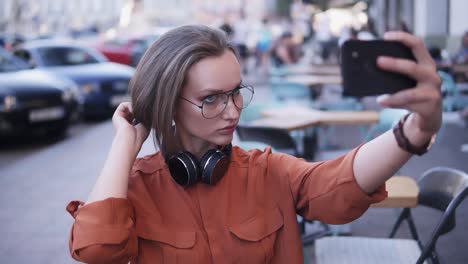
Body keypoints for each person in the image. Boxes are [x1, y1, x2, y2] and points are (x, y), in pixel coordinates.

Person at [66, 25, 442, 263]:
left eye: (236, 93)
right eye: (211, 98)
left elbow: (338, 184)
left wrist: (413, 132)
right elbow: (97, 249)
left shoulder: (267, 171)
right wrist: (125, 144)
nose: (232, 112)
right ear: (167, 106)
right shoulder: (131, 188)